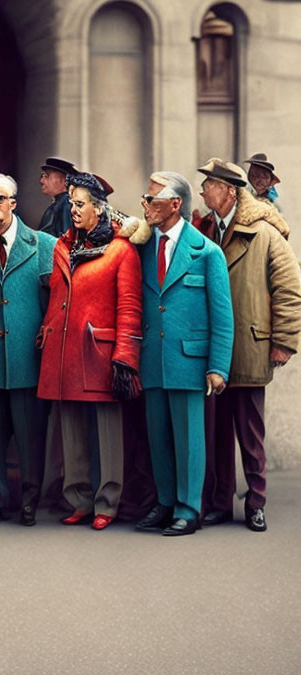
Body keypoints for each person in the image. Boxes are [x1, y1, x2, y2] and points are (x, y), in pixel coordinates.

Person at [194, 159, 301, 531]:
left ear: (228, 190)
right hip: (213, 352)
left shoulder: (266, 232)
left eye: (208, 184)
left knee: (250, 434)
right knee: (217, 433)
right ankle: (220, 502)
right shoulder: (205, 229)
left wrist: (284, 342)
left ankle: (256, 502)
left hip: (251, 347)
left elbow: (289, 289)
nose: (203, 190)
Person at [36, 172, 142, 530]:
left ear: (100, 209)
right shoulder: (63, 246)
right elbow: (56, 295)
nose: (74, 210)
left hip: (100, 352)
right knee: (71, 429)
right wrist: (46, 330)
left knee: (107, 433)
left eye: (80, 204)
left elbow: (130, 307)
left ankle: (107, 503)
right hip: (64, 349)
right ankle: (79, 499)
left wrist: (125, 357)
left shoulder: (120, 250)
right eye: (71, 203)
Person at [132, 170, 233, 536]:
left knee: (190, 439)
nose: (145, 205)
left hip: (191, 362)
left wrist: (218, 366)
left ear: (175, 204)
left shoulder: (207, 252)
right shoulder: (142, 248)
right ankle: (165, 501)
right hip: (153, 358)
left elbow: (223, 316)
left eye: (152, 199)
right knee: (158, 436)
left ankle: (189, 508)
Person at [0, 173, 55, 526]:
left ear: (13, 203)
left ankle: (30, 500)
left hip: (26, 359)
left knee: (31, 436)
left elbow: (54, 301)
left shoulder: (43, 244)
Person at [37, 156, 78, 238]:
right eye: (42, 176)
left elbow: (66, 240)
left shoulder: (66, 204)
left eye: (47, 176)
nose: (41, 181)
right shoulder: (60, 203)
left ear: (65, 181)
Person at [243, 152, 285, 217]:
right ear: (249, 176)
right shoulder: (243, 192)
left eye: (265, 177)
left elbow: (280, 219)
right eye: (255, 175)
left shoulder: (272, 200)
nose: (260, 180)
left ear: (271, 181)